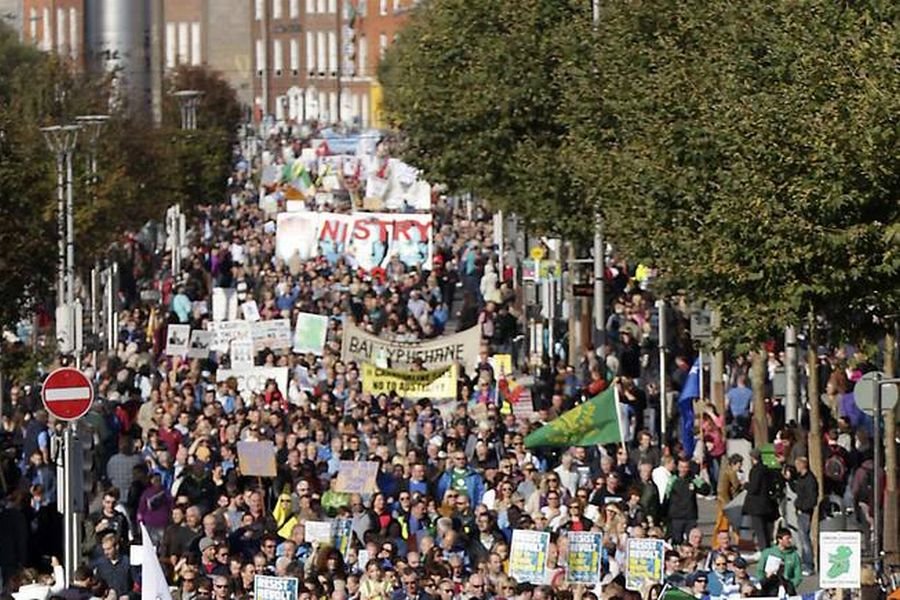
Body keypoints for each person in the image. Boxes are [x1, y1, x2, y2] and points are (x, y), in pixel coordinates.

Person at [786, 456, 817, 575]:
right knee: (802, 537)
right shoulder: (801, 478)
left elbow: (811, 499)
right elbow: (797, 490)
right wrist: (789, 480)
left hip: (805, 512)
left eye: (797, 465)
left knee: (805, 539)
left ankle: (809, 565)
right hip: (800, 510)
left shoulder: (810, 480)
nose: (796, 468)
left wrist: (802, 507)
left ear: (802, 465)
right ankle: (805, 563)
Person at [667, 458, 709, 544]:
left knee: (691, 540)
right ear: (678, 467)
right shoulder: (672, 479)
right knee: (676, 540)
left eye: (685, 467)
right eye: (681, 467)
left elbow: (706, 491)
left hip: (690, 516)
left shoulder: (693, 479)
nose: (683, 470)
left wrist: (700, 482)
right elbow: (666, 497)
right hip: (676, 516)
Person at [743, 448, 777, 551]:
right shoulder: (767, 469)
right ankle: (768, 549)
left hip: (756, 505)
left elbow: (754, 488)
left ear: (752, 458)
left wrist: (746, 485)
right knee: (766, 530)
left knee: (760, 531)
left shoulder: (755, 470)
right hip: (767, 504)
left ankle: (764, 551)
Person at [757, 528, 802, 592]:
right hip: (769, 587)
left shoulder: (794, 555)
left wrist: (791, 586)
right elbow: (759, 570)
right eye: (787, 538)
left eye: (790, 538)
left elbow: (798, 576)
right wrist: (763, 582)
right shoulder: (767, 553)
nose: (790, 540)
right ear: (780, 539)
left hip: (786, 588)